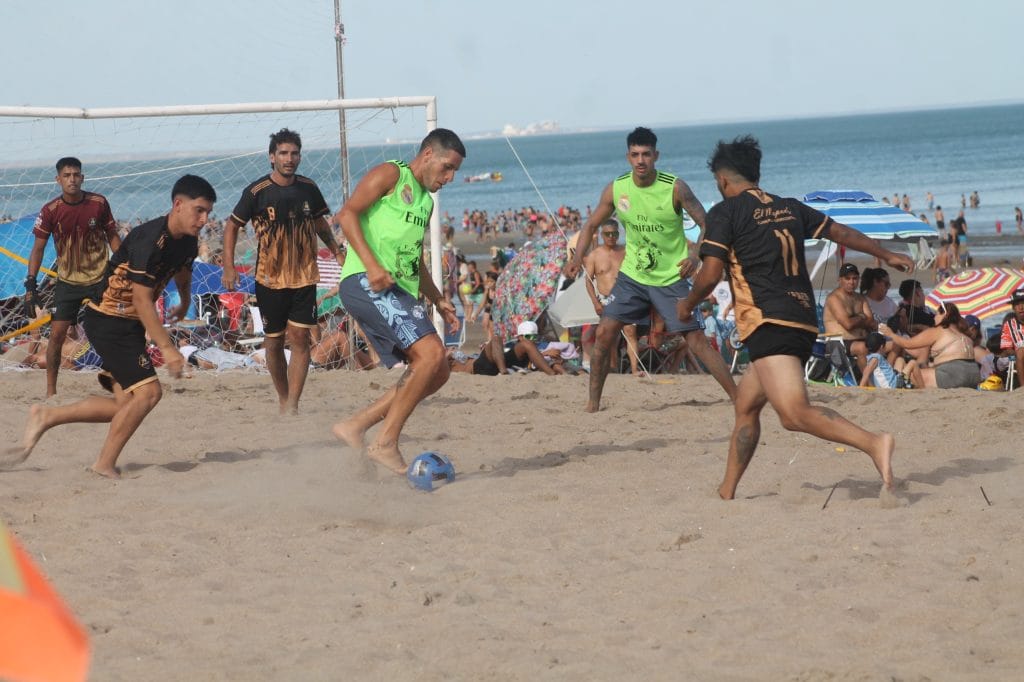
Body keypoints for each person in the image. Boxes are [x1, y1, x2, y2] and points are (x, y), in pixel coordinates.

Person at [677, 135, 914, 500]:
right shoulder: (789, 207)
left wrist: (688, 303)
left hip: (768, 322)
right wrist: (885, 253)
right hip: (802, 320)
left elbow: (709, 276)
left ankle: (874, 443)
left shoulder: (726, 212)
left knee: (793, 414)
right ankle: (727, 491)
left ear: (722, 180)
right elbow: (840, 232)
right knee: (746, 407)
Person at [7, 175, 216, 478]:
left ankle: (46, 416)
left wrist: (184, 302)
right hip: (108, 319)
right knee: (149, 394)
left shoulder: (187, 241)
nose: (205, 219)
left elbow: (183, 271)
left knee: (125, 404)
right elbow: (142, 300)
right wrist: (168, 349)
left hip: (127, 324)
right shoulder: (149, 239)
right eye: (199, 210)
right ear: (178, 205)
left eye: (208, 212)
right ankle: (104, 464)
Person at [564, 126, 736, 412]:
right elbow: (592, 224)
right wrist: (576, 258)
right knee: (605, 332)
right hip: (633, 276)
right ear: (628, 157)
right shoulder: (617, 188)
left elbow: (707, 223)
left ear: (656, 155)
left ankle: (737, 397)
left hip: (671, 277)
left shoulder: (675, 187)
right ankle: (593, 403)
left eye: (646, 154)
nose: (640, 160)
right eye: (635, 155)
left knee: (695, 340)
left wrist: (696, 255)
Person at [331, 128, 465, 475]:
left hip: (397, 290)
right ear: (428, 155)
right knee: (431, 354)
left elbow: (413, 258)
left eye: (455, 171)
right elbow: (346, 215)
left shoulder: (424, 202)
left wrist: (438, 299)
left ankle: (357, 426)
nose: (450, 177)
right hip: (365, 280)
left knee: (438, 370)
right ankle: (385, 442)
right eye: (448, 167)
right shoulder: (392, 174)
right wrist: (373, 266)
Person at [221, 128, 345, 415]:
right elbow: (232, 226)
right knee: (274, 343)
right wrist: (228, 266)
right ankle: (283, 396)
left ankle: (292, 405)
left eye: (294, 153)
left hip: (304, 277)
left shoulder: (309, 188)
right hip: (270, 280)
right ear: (272, 157)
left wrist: (337, 251)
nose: (289, 159)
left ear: (300, 157)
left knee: (301, 339)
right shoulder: (256, 191)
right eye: (283, 153)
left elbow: (319, 222)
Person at [25, 157, 121, 397]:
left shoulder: (98, 203)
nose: (72, 180)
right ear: (58, 180)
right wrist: (30, 284)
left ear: (82, 178)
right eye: (67, 176)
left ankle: (118, 381)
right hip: (68, 282)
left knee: (111, 330)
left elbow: (112, 236)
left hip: (100, 278)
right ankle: (51, 392)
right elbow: (38, 249)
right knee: (57, 335)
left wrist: (123, 268)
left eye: (76, 175)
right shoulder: (50, 210)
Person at [581, 218, 641, 374]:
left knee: (630, 332)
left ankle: (635, 370)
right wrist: (595, 303)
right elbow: (588, 282)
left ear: (618, 234)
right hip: (606, 298)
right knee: (609, 335)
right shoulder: (595, 255)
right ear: (602, 235)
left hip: (626, 297)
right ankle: (612, 368)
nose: (611, 237)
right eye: (607, 234)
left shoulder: (626, 252)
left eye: (614, 234)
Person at [888, 302, 979, 389]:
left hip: (954, 374)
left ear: (944, 315)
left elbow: (907, 344)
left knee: (911, 376)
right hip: (974, 375)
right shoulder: (962, 333)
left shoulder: (939, 330)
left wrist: (890, 334)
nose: (934, 317)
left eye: (937, 314)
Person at [449, 320, 560, 375]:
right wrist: (448, 354)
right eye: (529, 336)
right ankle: (503, 373)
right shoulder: (445, 360)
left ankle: (553, 374)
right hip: (478, 367)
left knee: (526, 345)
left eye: (535, 336)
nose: (533, 339)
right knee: (496, 338)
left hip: (501, 362)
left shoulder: (528, 345)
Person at [823, 263, 876, 372]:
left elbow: (871, 321)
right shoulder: (834, 298)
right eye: (847, 278)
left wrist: (857, 319)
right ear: (840, 280)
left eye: (854, 278)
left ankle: (891, 378)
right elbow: (848, 325)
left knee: (890, 344)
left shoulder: (860, 298)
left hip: (862, 339)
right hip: (839, 342)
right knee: (862, 347)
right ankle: (867, 381)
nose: (851, 282)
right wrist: (861, 316)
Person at [998, 288, 1024, 379]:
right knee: (1020, 352)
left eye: (1023, 303)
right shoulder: (1008, 325)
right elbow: (1007, 349)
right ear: (1013, 308)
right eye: (1017, 304)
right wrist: (1018, 352)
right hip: (1021, 358)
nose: (1021, 307)